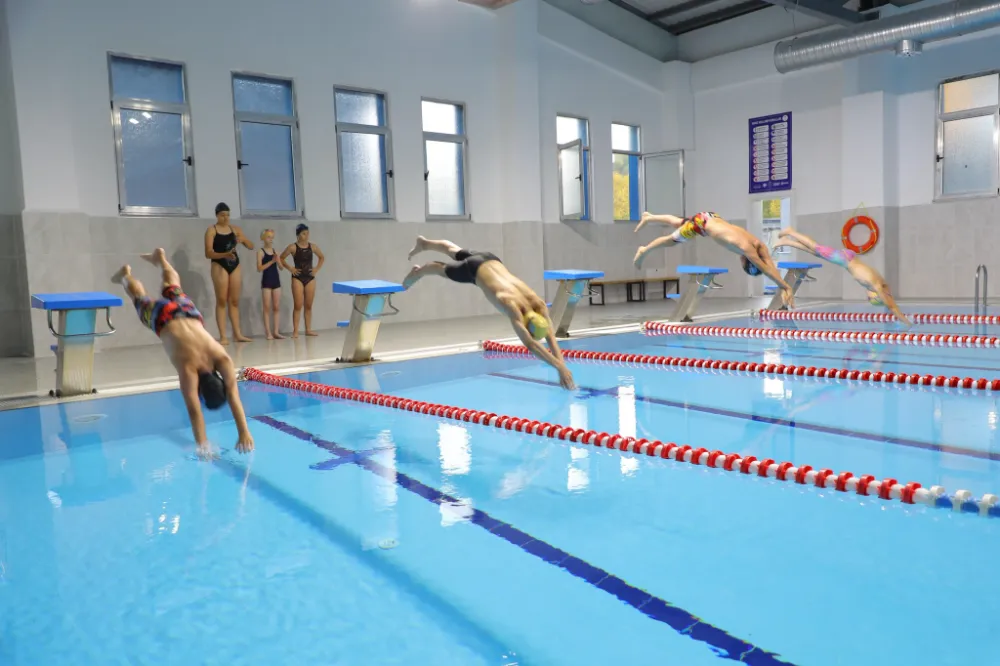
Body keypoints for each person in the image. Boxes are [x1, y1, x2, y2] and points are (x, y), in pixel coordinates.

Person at [111, 248, 254, 457]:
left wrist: (244, 432)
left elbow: (233, 394)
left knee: (172, 286)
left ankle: (161, 260)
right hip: (162, 319)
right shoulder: (189, 370)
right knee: (139, 298)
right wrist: (202, 445)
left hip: (188, 312)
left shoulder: (222, 358)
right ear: (201, 391)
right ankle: (125, 276)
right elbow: (194, 411)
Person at [403, 236, 576, 390]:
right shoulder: (512, 307)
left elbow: (550, 337)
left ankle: (424, 243)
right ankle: (417, 273)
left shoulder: (538, 303)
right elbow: (531, 345)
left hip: (490, 258)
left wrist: (562, 367)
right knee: (439, 269)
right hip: (472, 270)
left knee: (452, 250)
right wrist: (559, 367)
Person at [633, 211, 795, 309]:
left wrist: (783, 286)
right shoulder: (745, 249)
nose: (740, 262)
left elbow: (769, 264)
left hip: (711, 217)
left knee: (679, 223)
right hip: (702, 224)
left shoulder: (758, 245)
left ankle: (650, 217)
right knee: (672, 240)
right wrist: (786, 286)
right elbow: (766, 269)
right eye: (743, 265)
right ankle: (644, 250)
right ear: (747, 261)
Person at [772, 227, 912, 326]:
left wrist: (891, 305)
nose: (867, 297)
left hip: (848, 258)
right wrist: (907, 323)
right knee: (816, 247)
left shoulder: (881, 283)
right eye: (870, 298)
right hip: (844, 259)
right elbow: (892, 306)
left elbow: (889, 298)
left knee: (816, 252)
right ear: (876, 296)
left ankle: (787, 241)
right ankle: (791, 232)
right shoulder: (876, 286)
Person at [204, 202, 254, 344]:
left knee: (234, 301)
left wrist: (243, 240)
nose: (226, 218)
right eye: (222, 215)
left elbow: (251, 246)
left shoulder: (235, 229)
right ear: (217, 216)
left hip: (234, 264)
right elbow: (208, 253)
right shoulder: (211, 230)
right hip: (219, 264)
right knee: (221, 300)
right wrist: (224, 254)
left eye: (228, 215)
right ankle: (223, 336)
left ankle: (237, 334)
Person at [280, 223, 325, 338]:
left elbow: (321, 257)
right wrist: (290, 268)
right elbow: (281, 258)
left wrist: (316, 269)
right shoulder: (292, 247)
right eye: (304, 233)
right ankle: (295, 331)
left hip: (310, 278)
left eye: (307, 233)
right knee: (298, 305)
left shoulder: (313, 247)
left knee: (308, 305)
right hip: (298, 278)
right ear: (298, 235)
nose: (307, 235)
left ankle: (308, 329)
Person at [257, 229, 285, 340]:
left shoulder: (275, 251)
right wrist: (271, 261)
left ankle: (276, 332)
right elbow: (259, 268)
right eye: (268, 237)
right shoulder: (260, 252)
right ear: (263, 238)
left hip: (276, 280)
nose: (271, 239)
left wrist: (277, 260)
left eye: (272, 237)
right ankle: (268, 332)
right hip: (267, 281)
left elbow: (281, 268)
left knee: (276, 307)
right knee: (267, 307)